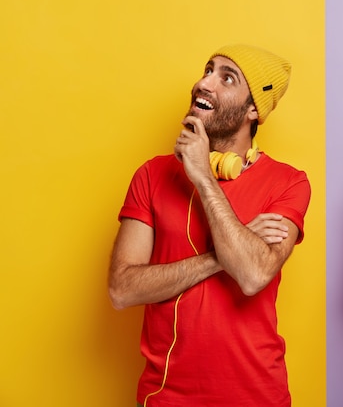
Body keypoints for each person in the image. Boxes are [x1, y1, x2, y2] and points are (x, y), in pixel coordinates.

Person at [108, 44, 311, 407]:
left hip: (257, 396)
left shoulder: (289, 183)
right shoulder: (151, 175)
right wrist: (218, 259)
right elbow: (122, 289)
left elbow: (252, 276)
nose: (204, 83)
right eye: (207, 70)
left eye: (226, 77)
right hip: (165, 397)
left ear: (254, 110)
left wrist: (203, 176)